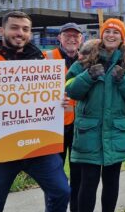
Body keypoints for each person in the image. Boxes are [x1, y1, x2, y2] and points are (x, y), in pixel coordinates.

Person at [65, 18, 125, 212]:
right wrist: (88, 76)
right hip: (89, 133)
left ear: (122, 37)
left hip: (117, 132)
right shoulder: (86, 57)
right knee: (89, 182)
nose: (111, 35)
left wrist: (124, 79)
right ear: (102, 35)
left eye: (116, 32)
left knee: (111, 182)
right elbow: (70, 89)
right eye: (107, 31)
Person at [0, 11, 70, 212]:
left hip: (38, 145)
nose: (20, 33)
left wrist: (61, 102)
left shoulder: (41, 60)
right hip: (0, 147)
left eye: (25, 29)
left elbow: (57, 99)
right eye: (14, 28)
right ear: (2, 30)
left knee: (61, 192)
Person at [43, 22, 84, 212]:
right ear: (59, 37)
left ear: (81, 39)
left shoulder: (86, 60)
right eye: (67, 35)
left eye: (75, 36)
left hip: (78, 129)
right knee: (54, 180)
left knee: (78, 177)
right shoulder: (46, 57)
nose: (72, 39)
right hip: (54, 129)